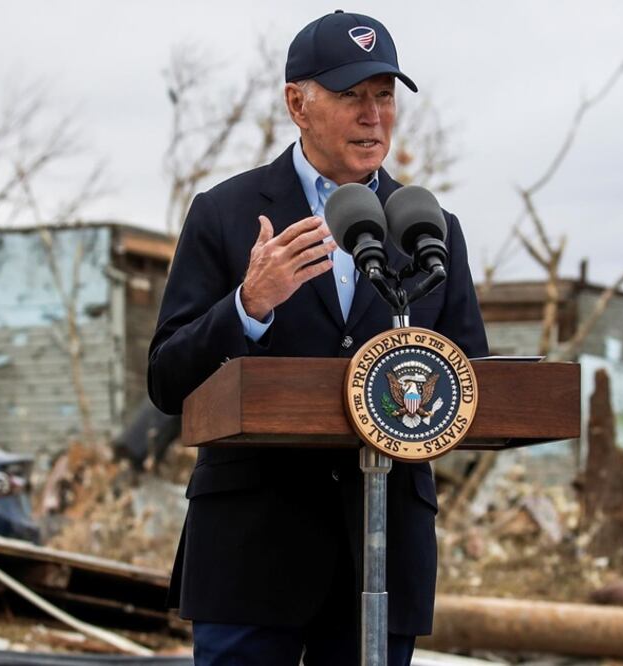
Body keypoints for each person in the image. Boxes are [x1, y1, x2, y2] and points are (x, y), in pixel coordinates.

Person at [148, 10, 488, 666]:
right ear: (297, 104)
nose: (373, 116)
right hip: (250, 550)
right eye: (350, 95)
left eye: (384, 96)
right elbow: (166, 380)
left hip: (382, 551)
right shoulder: (225, 213)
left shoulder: (429, 227)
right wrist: (247, 305)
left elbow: (471, 378)